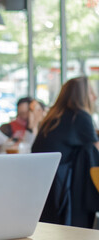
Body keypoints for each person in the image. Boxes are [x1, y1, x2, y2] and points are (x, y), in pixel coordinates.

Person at [32, 76, 99, 228]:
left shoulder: (53, 117)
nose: (94, 97)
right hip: (67, 189)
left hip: (46, 183)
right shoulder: (80, 116)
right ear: (81, 96)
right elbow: (96, 149)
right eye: (91, 93)